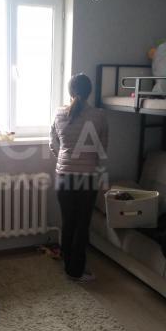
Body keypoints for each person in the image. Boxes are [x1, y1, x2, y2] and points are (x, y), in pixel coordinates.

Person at [49, 73, 108, 282]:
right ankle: (76, 271)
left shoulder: (59, 114)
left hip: (63, 177)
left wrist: (64, 159)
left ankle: (68, 265)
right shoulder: (99, 115)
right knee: (82, 226)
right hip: (86, 178)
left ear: (70, 91)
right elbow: (102, 150)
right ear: (89, 92)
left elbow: (53, 144)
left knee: (68, 222)